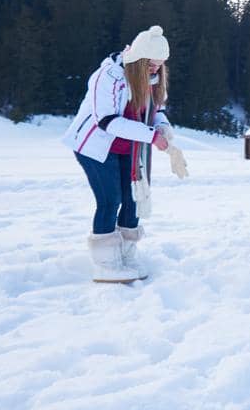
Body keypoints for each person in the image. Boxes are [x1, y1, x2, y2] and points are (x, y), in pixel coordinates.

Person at [61, 25, 174, 282]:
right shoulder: (108, 77)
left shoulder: (154, 80)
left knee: (132, 199)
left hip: (130, 148)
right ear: (137, 59)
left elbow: (158, 111)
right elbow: (107, 121)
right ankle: (106, 263)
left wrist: (163, 128)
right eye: (151, 64)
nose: (155, 69)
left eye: (159, 64)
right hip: (96, 149)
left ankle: (125, 255)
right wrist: (151, 136)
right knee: (110, 200)